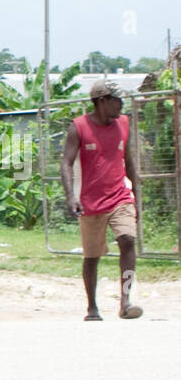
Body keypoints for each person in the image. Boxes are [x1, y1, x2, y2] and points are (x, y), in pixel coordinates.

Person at [61, 79, 143, 321]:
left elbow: (128, 160)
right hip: (91, 201)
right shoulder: (79, 127)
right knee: (92, 257)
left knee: (127, 240)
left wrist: (136, 192)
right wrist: (70, 197)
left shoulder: (124, 124)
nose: (121, 104)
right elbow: (65, 162)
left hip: (120, 196)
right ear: (102, 101)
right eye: (117, 100)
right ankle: (92, 307)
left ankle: (126, 302)